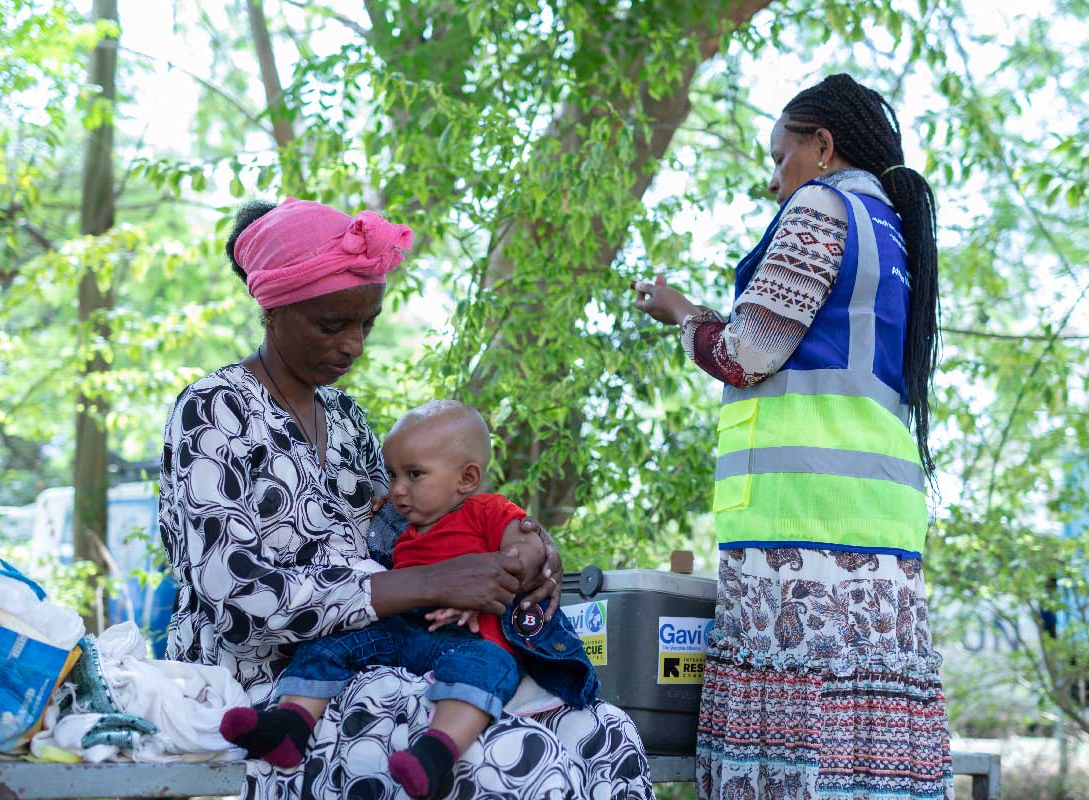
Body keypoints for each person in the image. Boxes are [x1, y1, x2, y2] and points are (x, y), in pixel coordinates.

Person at [159, 196, 651, 800]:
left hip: (385, 656)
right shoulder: (214, 412)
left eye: (365, 324)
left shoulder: (345, 420)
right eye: (332, 325)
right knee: (515, 762)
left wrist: (524, 548)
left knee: (603, 733)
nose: (354, 346)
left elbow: (410, 527)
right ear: (272, 309)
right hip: (274, 687)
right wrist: (433, 584)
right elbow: (236, 604)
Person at [633, 73, 953, 800]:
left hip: (801, 529)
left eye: (782, 158)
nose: (777, 181)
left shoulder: (821, 206)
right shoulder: (894, 233)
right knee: (862, 754)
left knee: (791, 745)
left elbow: (747, 353)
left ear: (823, 145)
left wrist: (682, 313)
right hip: (880, 527)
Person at [218, 400, 599, 800]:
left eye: (414, 475)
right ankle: (290, 725)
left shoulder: (486, 510)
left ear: (467, 477)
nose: (398, 489)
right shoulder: (401, 526)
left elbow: (527, 549)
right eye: (393, 475)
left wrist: (500, 574)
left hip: (469, 638)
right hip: (404, 632)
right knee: (334, 639)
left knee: (492, 666)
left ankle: (435, 753)